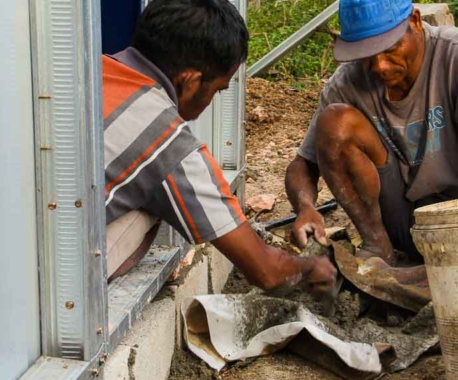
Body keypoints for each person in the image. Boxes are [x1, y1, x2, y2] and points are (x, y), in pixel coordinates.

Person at [104, 0, 336, 295]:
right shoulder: (167, 142)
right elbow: (266, 271)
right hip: (47, 284)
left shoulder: (86, 70)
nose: (209, 103)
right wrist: (312, 267)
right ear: (190, 81)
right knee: (149, 201)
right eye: (217, 89)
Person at [285, 0, 458, 267]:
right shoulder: (347, 83)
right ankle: (379, 248)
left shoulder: (452, 56)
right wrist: (306, 208)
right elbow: (303, 165)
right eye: (366, 55)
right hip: (401, 218)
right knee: (335, 122)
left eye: (390, 49)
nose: (380, 67)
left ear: (414, 20)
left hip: (454, 216)